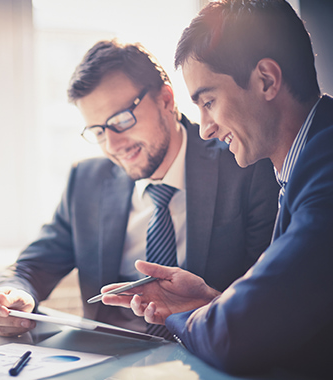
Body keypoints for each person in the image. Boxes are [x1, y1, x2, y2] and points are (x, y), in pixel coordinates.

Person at [0, 39, 279, 340]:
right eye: (98, 131)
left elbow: (267, 299)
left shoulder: (244, 165)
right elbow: (31, 266)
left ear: (165, 99)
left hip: (204, 354)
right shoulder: (86, 181)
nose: (112, 145)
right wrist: (7, 296)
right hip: (107, 362)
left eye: (121, 120)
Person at [101, 0, 333, 377]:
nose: (205, 128)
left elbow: (235, 336)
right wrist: (212, 301)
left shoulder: (326, 170)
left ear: (267, 81)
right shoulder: (305, 164)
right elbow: (291, 314)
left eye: (208, 101)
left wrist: (187, 315)